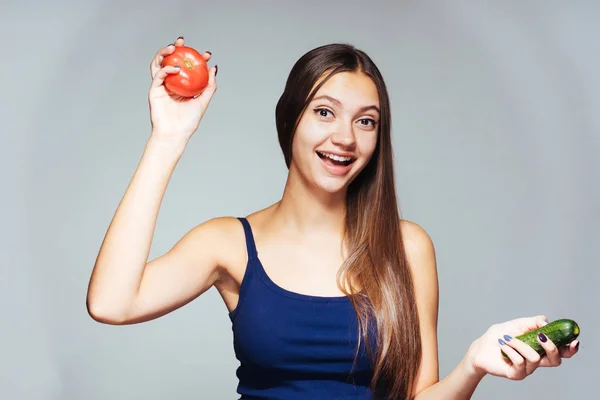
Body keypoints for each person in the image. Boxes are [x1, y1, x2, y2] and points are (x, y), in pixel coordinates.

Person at [86, 36, 580, 400]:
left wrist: (473, 364)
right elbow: (112, 302)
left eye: (365, 121)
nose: (346, 136)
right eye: (325, 112)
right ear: (291, 120)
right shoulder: (229, 243)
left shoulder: (407, 247)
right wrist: (168, 138)